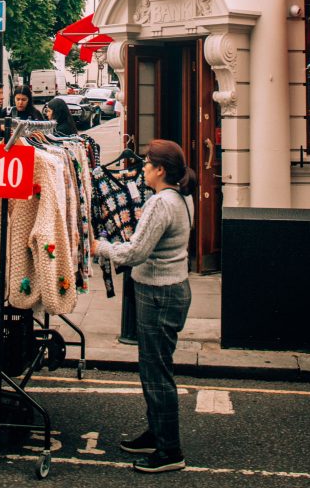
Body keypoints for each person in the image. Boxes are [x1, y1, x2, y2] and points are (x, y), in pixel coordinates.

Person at [91, 139, 196, 473]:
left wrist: (101, 247)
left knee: (156, 372)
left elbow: (135, 252)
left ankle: (169, 451)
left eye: (148, 164)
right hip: (170, 289)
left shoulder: (161, 203)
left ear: (160, 170)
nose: (142, 168)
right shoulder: (181, 197)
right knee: (155, 368)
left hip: (159, 294)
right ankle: (157, 432)